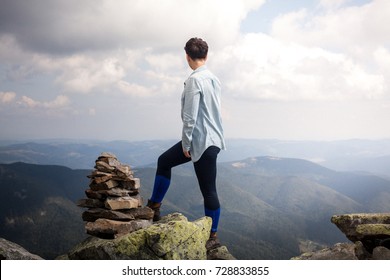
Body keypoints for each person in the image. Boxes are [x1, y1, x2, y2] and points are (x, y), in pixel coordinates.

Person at [147, 37, 226, 250]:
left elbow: (190, 116)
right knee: (168, 163)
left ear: (187, 57)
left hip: (199, 140)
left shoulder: (194, 80)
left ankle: (212, 236)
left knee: (207, 189)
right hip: (214, 139)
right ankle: (154, 206)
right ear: (206, 56)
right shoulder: (213, 78)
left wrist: (186, 142)